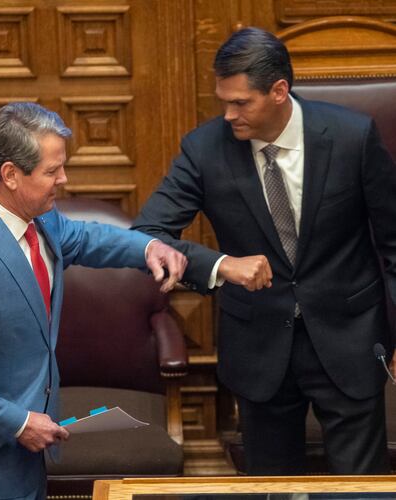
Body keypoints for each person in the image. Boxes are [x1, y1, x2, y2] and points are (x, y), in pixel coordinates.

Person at [132, 27, 396, 475]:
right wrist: (219, 265)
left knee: (361, 487)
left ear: (279, 91)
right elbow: (148, 234)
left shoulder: (353, 137)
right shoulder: (204, 149)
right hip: (258, 347)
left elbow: (393, 242)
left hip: (348, 335)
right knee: (272, 486)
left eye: (240, 103)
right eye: (223, 102)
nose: (229, 115)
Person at [0, 102, 187, 500]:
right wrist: (19, 422)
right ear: (10, 175)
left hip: (30, 438)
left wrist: (147, 248)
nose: (64, 179)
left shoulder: (39, 218)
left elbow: (87, 238)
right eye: (51, 171)